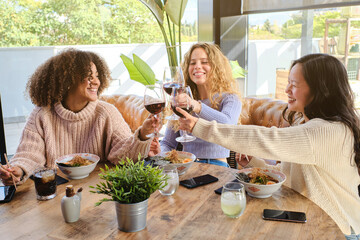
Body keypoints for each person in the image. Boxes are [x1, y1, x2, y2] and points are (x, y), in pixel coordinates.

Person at [177, 53, 360, 238]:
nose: (287, 89)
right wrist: (254, 163)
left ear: (321, 90)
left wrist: (199, 126)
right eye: (288, 82)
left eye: (294, 85)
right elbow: (288, 175)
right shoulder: (305, 122)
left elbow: (266, 138)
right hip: (307, 220)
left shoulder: (328, 131)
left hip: (338, 230)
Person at [0, 48, 160, 186]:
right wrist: (18, 170)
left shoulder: (106, 112)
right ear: (67, 81)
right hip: (55, 194)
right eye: (89, 77)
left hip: (99, 190)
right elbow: (29, 154)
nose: (96, 82)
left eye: (97, 76)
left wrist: (143, 134)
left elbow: (124, 155)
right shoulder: (42, 114)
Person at [160, 43, 242, 167]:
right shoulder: (183, 101)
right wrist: (161, 155)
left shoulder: (230, 98)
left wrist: (197, 106)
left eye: (204, 62)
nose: (197, 67)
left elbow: (228, 124)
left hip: (216, 167)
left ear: (216, 67)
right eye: (192, 63)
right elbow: (167, 143)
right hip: (186, 165)